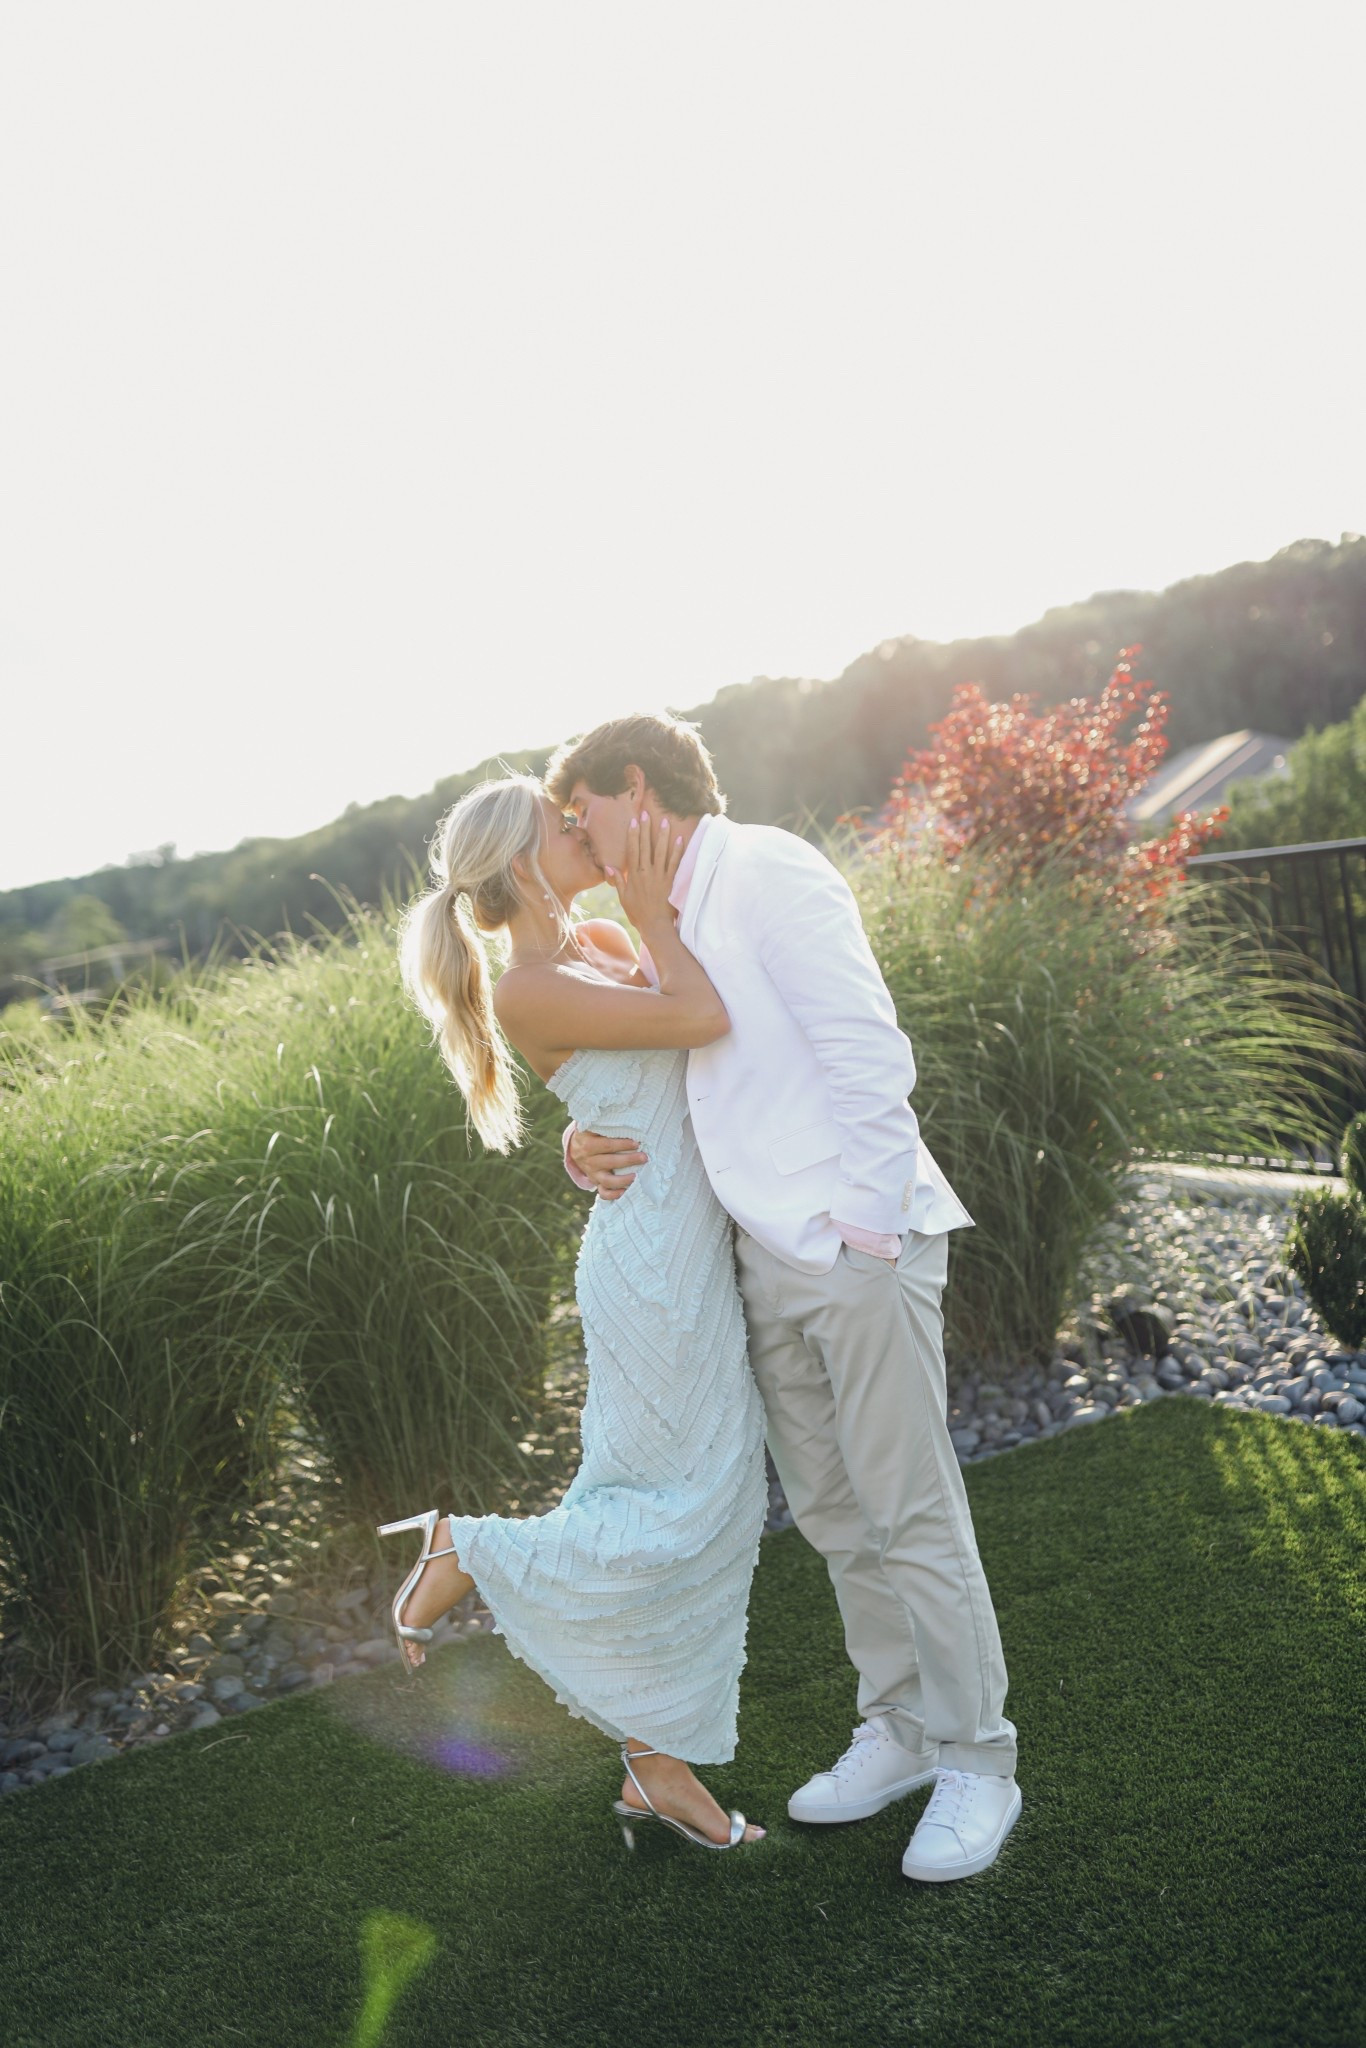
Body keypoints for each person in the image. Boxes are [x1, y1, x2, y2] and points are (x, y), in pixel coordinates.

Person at [546, 713, 1020, 1884]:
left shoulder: (767, 868)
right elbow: (669, 1075)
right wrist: (579, 1141)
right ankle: (900, 1729)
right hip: (760, 1261)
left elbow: (868, 1053)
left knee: (910, 1513)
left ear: (636, 785)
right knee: (835, 1516)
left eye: (579, 808)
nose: (573, 832)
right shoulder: (654, 915)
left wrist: (865, 1231)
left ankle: (979, 1759)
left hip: (854, 1245)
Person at [382, 772, 769, 1851]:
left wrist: (575, 1135)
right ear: (521, 864)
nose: (584, 831)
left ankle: (655, 1766)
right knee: (686, 1507)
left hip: (680, 1253)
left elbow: (661, 1072)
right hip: (652, 1272)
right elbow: (701, 1015)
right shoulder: (528, 987)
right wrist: (652, 915)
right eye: (562, 827)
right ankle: (470, 1548)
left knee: (710, 1500)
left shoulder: (593, 942)